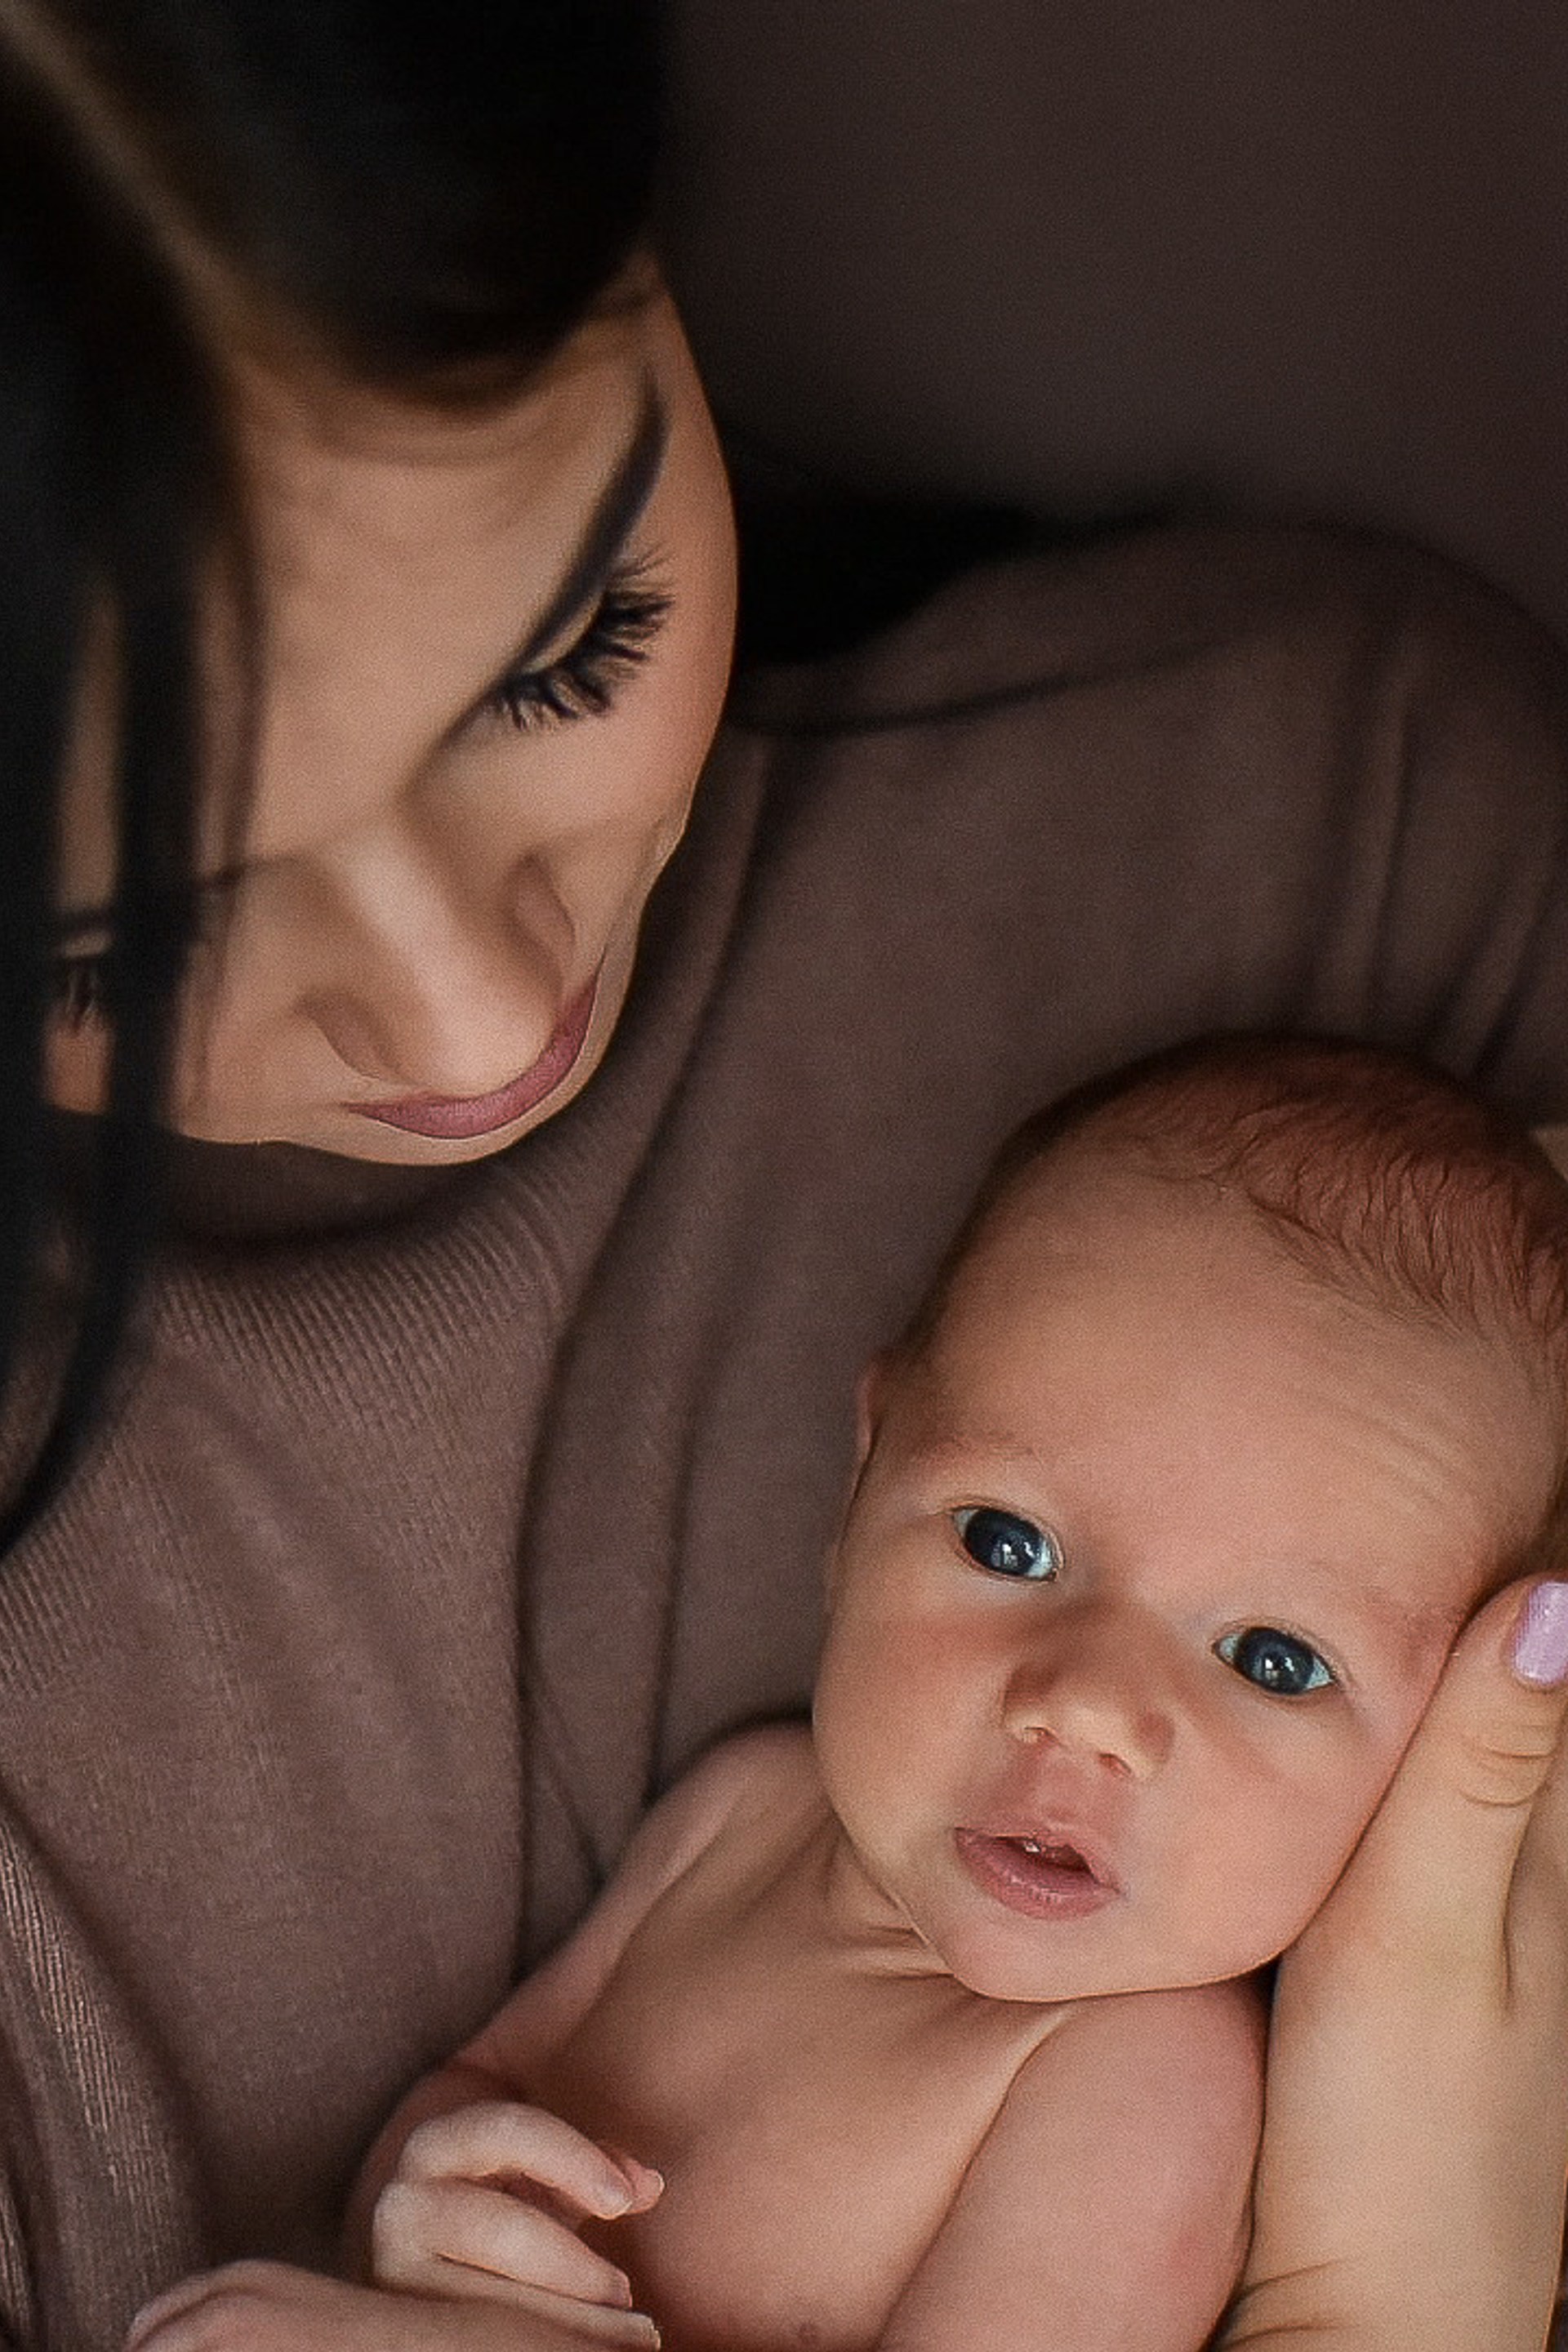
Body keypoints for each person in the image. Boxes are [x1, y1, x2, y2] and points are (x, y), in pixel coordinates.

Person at [0, 5, 1567, 2350]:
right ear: (870, 1460)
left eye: (565, 650)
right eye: (129, 927)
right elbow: (490, 2101)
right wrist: (445, 2193)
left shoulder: (1343, 856)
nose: (469, 1021)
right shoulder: (758, 1819)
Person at [330, 1036, 1568, 2352]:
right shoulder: (740, 1815)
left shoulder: (1144, 2080)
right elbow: (485, 2085)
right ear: (863, 1487)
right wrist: (411, 2224)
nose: (1087, 1705)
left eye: (1275, 1660)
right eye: (1006, 1544)